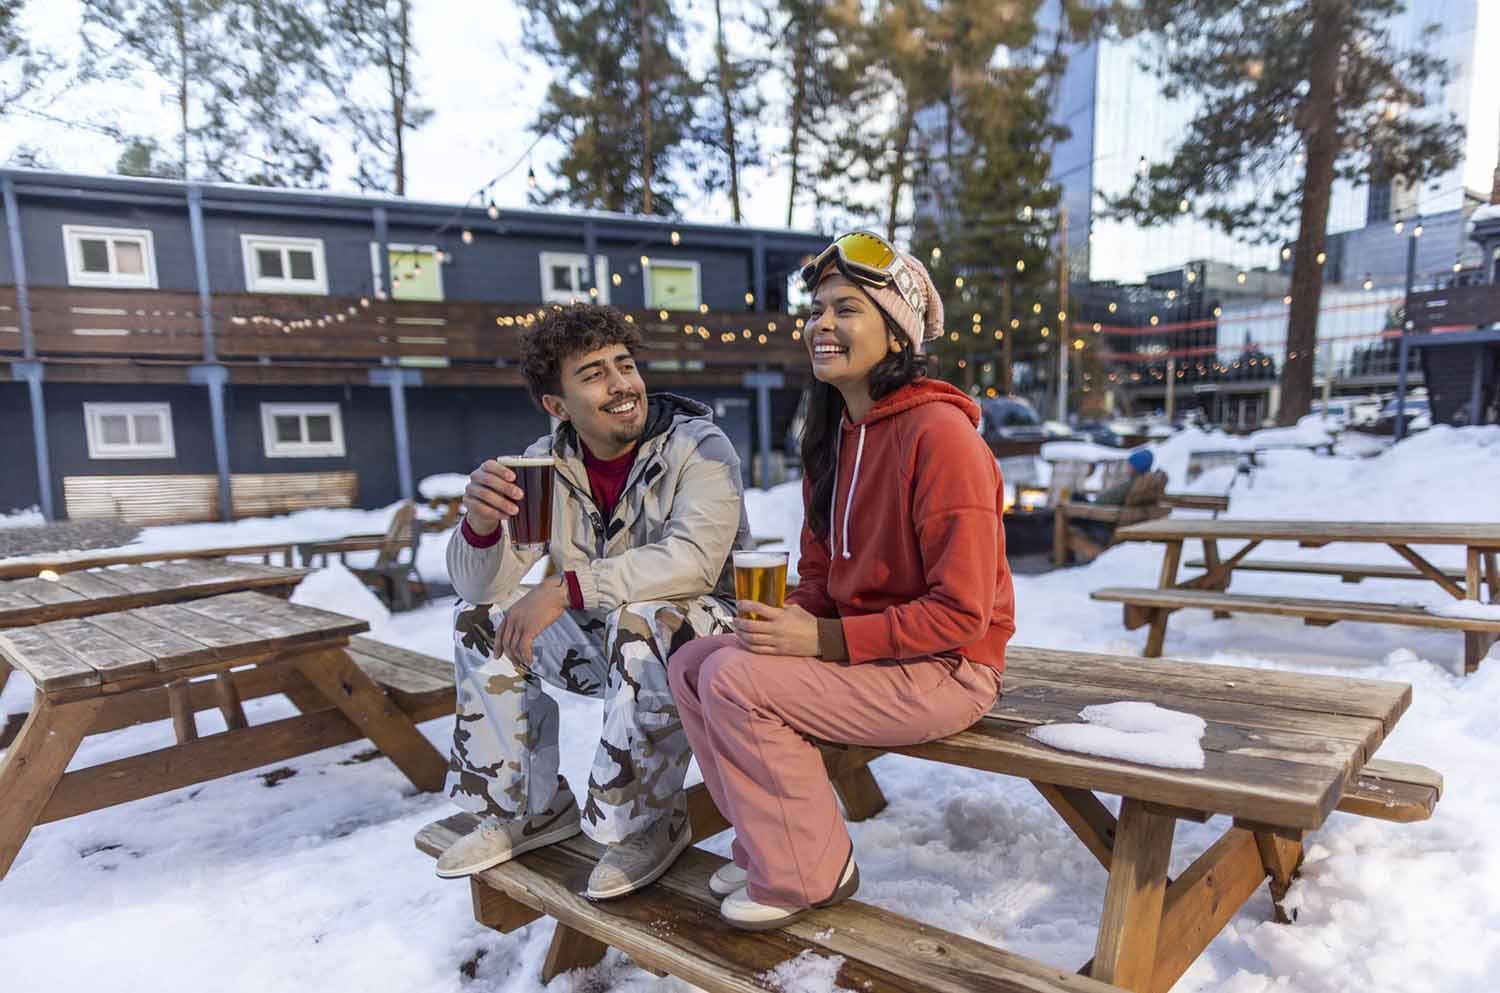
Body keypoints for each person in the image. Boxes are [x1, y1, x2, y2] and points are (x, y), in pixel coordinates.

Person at [667, 232, 1015, 929]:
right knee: (694, 661)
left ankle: (810, 871)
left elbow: (962, 615)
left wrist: (820, 638)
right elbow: (823, 572)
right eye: (817, 309)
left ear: (896, 335)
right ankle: (768, 839)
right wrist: (789, 620)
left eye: (846, 309)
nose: (821, 324)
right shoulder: (837, 436)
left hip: (947, 667)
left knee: (738, 682)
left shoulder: (942, 438)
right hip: (876, 656)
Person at [435, 303, 750, 902]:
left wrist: (565, 588)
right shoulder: (545, 463)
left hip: (705, 642)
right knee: (481, 618)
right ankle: (528, 806)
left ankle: (650, 822)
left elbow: (694, 561)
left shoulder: (699, 446)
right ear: (557, 405)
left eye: (624, 365)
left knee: (644, 617)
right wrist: (478, 526)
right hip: (607, 635)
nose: (622, 384)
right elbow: (480, 586)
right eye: (595, 374)